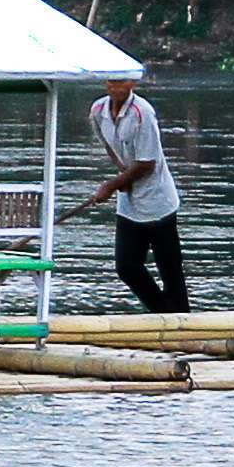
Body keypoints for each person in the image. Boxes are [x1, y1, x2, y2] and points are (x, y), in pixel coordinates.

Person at [74, 76, 188, 312]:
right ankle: (162, 312)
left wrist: (112, 184)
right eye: (111, 83)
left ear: (132, 85)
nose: (115, 88)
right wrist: (123, 175)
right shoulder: (98, 110)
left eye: (121, 83)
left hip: (158, 201)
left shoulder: (141, 112)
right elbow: (110, 146)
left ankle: (179, 315)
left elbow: (147, 162)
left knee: (170, 269)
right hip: (129, 202)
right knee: (127, 266)